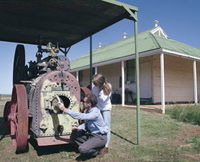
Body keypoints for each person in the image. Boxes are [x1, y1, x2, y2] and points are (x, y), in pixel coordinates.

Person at [92, 74, 112, 155]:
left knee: (106, 127)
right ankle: (99, 143)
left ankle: (106, 147)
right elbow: (94, 97)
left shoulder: (108, 86)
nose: (95, 86)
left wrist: (100, 89)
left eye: (96, 84)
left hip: (106, 109)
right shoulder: (94, 87)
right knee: (97, 126)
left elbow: (103, 99)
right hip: (98, 108)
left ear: (101, 83)